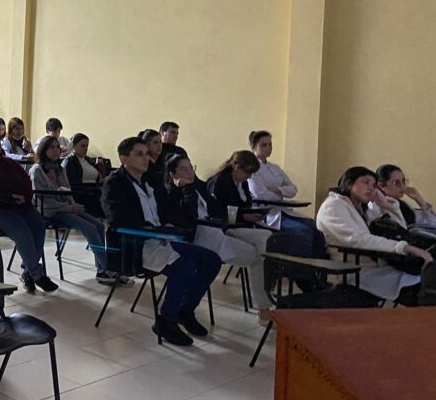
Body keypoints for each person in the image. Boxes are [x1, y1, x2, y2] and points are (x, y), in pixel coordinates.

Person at [101, 137, 221, 347]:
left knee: (212, 260)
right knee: (184, 266)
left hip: (162, 239)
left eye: (146, 154)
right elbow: (117, 219)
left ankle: (185, 311)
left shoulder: (152, 181)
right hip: (135, 244)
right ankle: (167, 321)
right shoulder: (114, 184)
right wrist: (155, 231)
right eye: (139, 154)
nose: (145, 158)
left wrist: (172, 218)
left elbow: (169, 211)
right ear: (123, 159)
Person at [165, 154, 271, 318]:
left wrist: (229, 223)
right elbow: (189, 216)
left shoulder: (198, 187)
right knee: (257, 258)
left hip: (220, 230)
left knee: (267, 238)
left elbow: (218, 210)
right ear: (173, 174)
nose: (190, 172)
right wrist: (186, 189)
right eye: (183, 169)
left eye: (191, 167)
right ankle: (265, 306)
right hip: (203, 238)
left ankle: (269, 282)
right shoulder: (172, 193)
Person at [317, 166, 431, 301]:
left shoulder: (360, 209)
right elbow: (357, 239)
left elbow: (400, 229)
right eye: (366, 182)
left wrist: (386, 204)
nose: (371, 188)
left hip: (374, 265)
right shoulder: (334, 205)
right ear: (349, 183)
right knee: (421, 285)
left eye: (373, 185)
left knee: (428, 278)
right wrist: (403, 247)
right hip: (352, 270)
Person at [0, 126, 56, 293]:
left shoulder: (9, 163)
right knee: (20, 227)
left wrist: (25, 196)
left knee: (38, 223)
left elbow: (26, 182)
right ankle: (37, 274)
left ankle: (28, 270)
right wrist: (9, 196)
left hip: (17, 206)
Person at [31, 136, 126, 286]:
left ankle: (101, 269)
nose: (56, 150)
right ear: (43, 150)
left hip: (66, 209)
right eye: (52, 148)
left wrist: (73, 205)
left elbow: (67, 192)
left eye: (57, 147)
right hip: (50, 212)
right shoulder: (37, 171)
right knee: (89, 228)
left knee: (99, 225)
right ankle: (107, 269)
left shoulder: (59, 169)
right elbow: (45, 203)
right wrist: (70, 208)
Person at [246, 130, 326, 253]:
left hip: (282, 210)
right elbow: (260, 194)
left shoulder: (275, 168)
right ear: (253, 147)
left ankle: (318, 261)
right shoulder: (252, 168)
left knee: (314, 226)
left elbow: (293, 189)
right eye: (264, 145)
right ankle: (300, 263)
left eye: (270, 144)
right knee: (303, 231)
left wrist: (276, 189)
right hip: (266, 214)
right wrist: (281, 193)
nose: (268, 148)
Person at [369, 164, 436, 229]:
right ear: (381, 186)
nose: (402, 186)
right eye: (396, 183)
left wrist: (420, 200)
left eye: (403, 181)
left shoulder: (403, 206)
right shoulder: (375, 207)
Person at [61, 132, 105, 217]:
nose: (86, 149)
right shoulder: (70, 161)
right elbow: (70, 183)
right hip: (83, 194)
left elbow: (96, 176)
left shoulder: (87, 160)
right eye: (82, 146)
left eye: (87, 146)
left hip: (94, 191)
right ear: (73, 146)